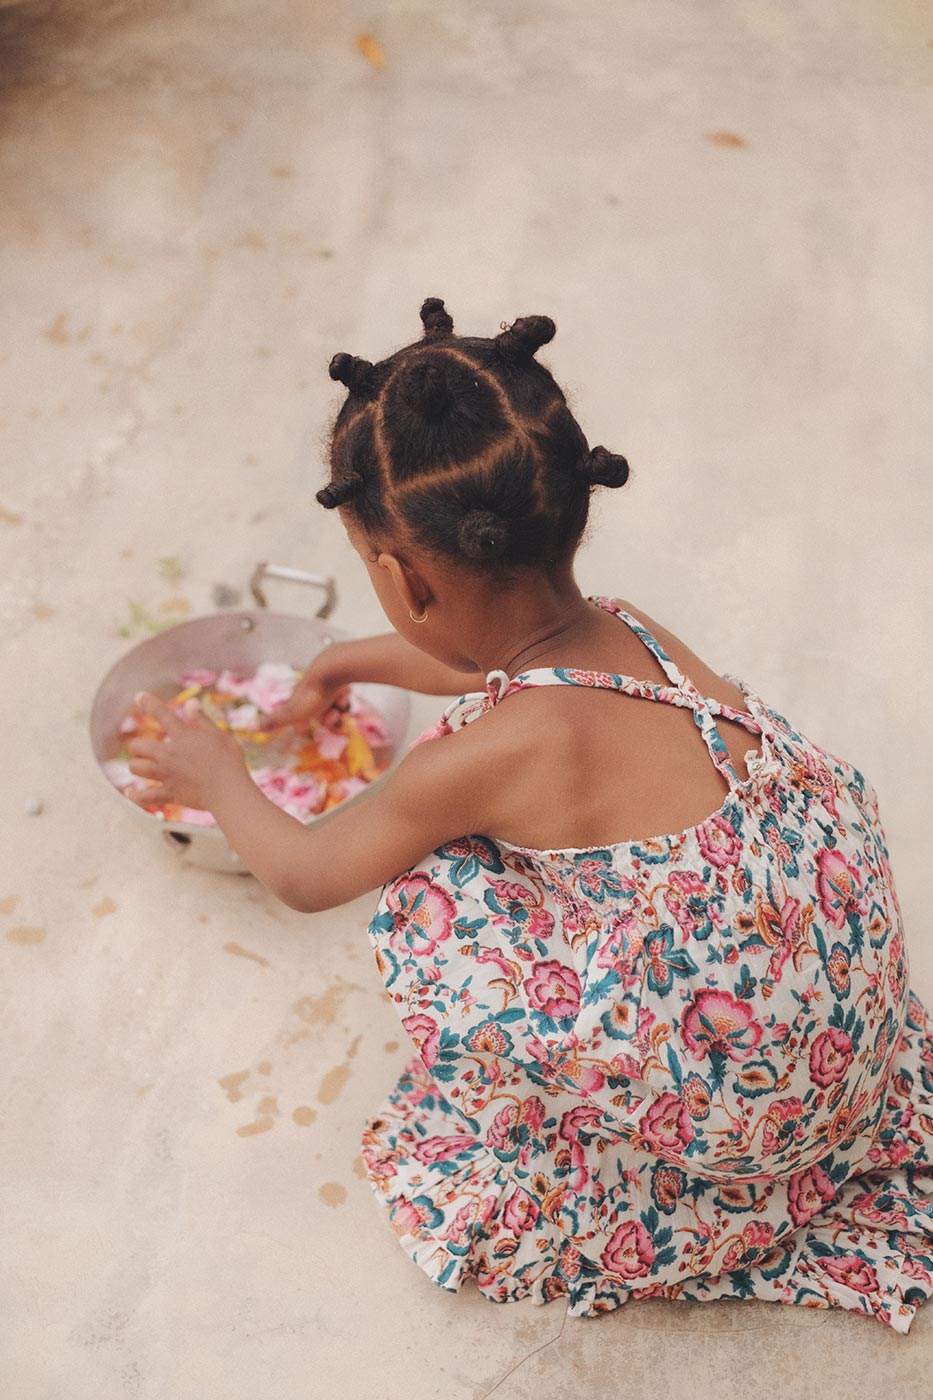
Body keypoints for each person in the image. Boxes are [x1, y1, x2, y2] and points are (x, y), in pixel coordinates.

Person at [127, 297, 933, 1332]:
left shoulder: (485, 758)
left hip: (742, 1125)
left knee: (444, 877)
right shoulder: (633, 627)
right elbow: (493, 656)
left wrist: (219, 768)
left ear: (398, 576)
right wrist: (339, 662)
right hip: (831, 1047)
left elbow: (306, 872)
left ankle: (654, 1161)